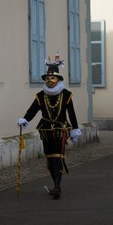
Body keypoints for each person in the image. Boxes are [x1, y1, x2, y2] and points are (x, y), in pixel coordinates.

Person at [17, 55, 81, 199]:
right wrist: (25, 119)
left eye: (52, 78)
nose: (49, 81)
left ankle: (57, 187)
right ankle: (55, 184)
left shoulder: (66, 95)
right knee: (50, 158)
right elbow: (32, 110)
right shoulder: (40, 95)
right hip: (45, 130)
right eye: (47, 78)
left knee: (58, 157)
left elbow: (71, 112)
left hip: (60, 130)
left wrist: (75, 129)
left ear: (58, 79)